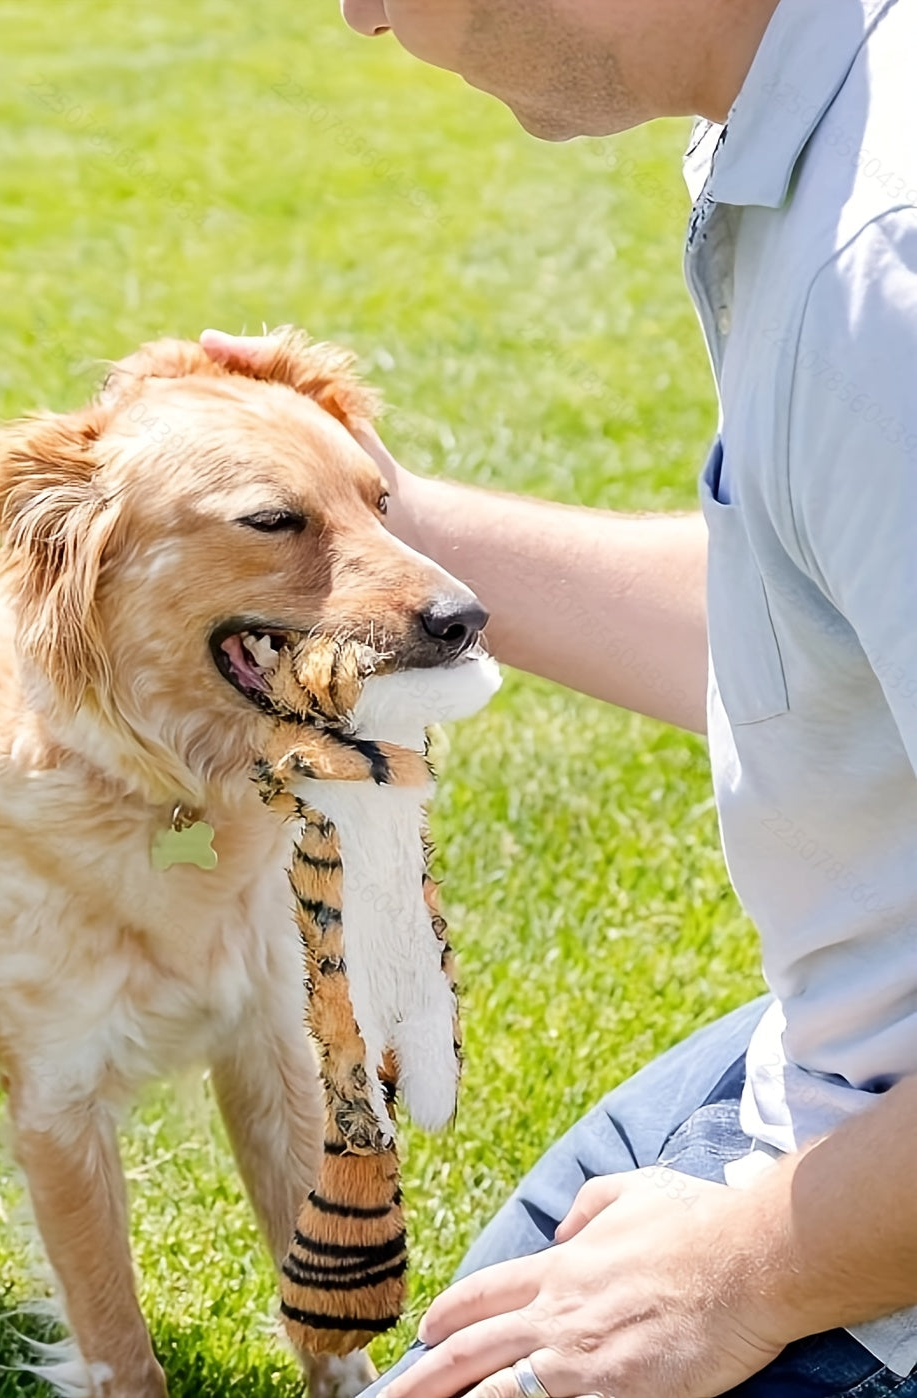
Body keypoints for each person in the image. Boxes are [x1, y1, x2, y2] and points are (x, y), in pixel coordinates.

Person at [202, 1, 917, 1395]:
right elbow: (809, 628)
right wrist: (363, 522)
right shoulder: (808, 119)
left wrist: (743, 1269)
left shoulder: (883, 267)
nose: (358, 12)